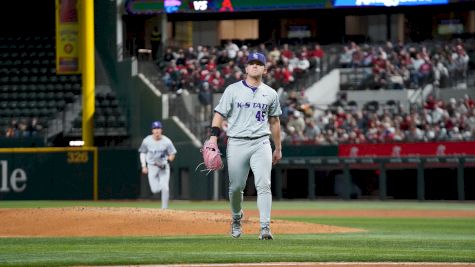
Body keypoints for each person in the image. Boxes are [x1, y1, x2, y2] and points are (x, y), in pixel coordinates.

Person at [209, 52, 282, 240]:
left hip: (261, 142)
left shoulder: (271, 93)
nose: (255, 66)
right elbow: (219, 114)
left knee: (264, 184)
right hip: (237, 142)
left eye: (259, 63)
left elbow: (274, 122)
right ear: (246, 68)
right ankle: (236, 218)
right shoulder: (232, 90)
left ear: (265, 69)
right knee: (235, 188)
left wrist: (278, 148)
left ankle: (265, 227)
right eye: (252, 63)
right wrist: (213, 138)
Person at [139, 121, 177, 209]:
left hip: (164, 167)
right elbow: (142, 153)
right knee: (154, 189)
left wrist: (167, 162)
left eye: (158, 128)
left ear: (161, 130)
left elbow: (172, 154)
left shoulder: (167, 141)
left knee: (165, 188)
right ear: (152, 130)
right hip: (152, 166)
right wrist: (143, 166)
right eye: (155, 128)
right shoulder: (147, 140)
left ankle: (164, 209)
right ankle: (162, 187)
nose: (156, 131)